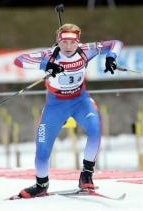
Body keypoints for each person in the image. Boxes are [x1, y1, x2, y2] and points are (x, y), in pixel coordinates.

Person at [14, 23, 123, 198]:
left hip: (80, 101)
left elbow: (115, 43)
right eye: (64, 42)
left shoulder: (86, 50)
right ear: (58, 40)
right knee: (42, 150)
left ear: (78, 41)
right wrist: (46, 65)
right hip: (55, 105)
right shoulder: (49, 55)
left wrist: (111, 57)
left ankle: (86, 175)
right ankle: (41, 185)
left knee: (95, 130)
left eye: (73, 42)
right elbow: (19, 60)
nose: (68, 46)